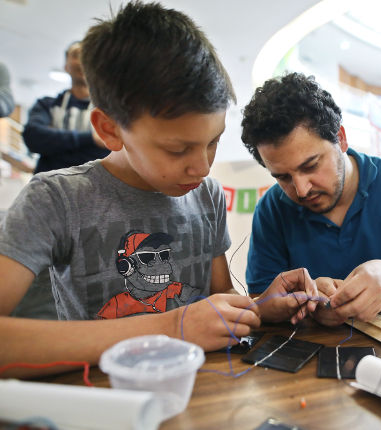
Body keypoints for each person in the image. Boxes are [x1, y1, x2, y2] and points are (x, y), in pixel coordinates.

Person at [0, 1, 317, 378]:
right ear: (110, 130)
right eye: (177, 149)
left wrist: (261, 307)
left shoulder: (206, 195)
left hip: (202, 396)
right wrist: (171, 328)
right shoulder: (55, 200)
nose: (202, 167)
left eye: (213, 141)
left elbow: (217, 300)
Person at [241, 72, 381, 326]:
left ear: (340, 138)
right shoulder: (271, 209)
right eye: (283, 177)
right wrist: (305, 303)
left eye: (311, 166)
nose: (301, 189)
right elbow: (261, 303)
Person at [21, 41, 110, 173]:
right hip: (48, 189)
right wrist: (91, 139)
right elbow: (33, 138)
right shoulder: (46, 105)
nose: (82, 60)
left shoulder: (110, 110)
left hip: (96, 189)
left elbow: (113, 149)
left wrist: (55, 145)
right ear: (66, 66)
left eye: (88, 55)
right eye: (76, 55)